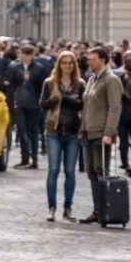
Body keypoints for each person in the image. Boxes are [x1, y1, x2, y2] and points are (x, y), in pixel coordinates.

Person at [78, 47, 123, 224]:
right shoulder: (91, 79)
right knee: (91, 173)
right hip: (88, 132)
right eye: (87, 59)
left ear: (103, 59)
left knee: (100, 172)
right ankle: (97, 210)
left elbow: (114, 108)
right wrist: (82, 127)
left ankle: (105, 209)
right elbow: (87, 105)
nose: (88, 62)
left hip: (101, 133)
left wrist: (109, 132)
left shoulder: (111, 80)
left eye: (92, 59)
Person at [40, 51, 84, 222]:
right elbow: (42, 104)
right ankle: (51, 207)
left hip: (72, 132)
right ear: (59, 65)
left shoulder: (80, 84)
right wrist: (56, 99)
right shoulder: (50, 83)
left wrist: (67, 99)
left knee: (70, 172)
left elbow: (83, 104)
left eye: (70, 63)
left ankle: (68, 208)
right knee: (53, 170)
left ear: (74, 65)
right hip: (53, 131)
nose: (67, 65)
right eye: (64, 63)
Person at [8, 45, 47, 169]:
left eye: (24, 55)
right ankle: (25, 159)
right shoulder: (15, 67)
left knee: (33, 132)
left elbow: (43, 87)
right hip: (20, 103)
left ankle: (34, 158)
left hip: (34, 104)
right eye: (21, 54)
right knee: (22, 130)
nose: (22, 57)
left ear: (30, 55)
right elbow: (11, 82)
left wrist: (40, 100)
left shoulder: (39, 68)